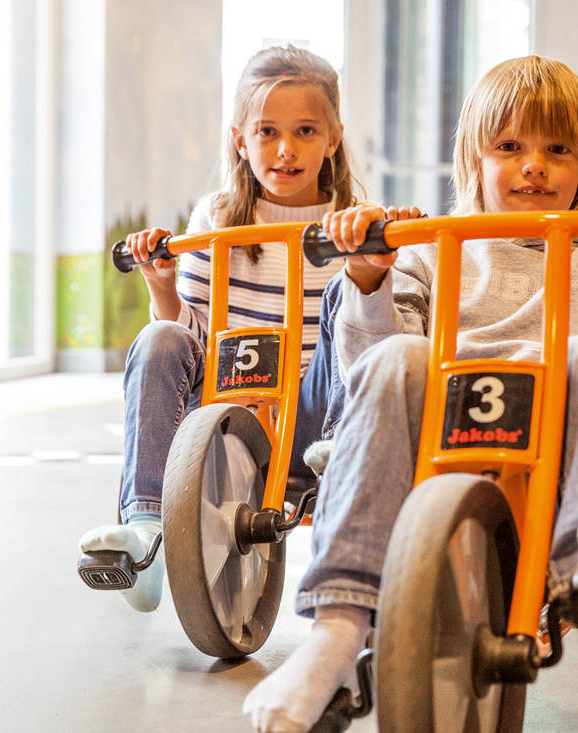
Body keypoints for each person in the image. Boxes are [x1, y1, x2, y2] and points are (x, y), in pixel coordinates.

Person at [242, 54, 578, 732]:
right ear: (473, 158)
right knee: (398, 355)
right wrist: (370, 278)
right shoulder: (429, 248)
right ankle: (340, 625)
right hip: (437, 454)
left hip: (571, 466)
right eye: (510, 147)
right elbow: (365, 368)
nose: (535, 165)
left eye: (558, 149)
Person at [78, 44, 419, 614]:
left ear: (333, 138)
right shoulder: (218, 218)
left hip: (310, 428)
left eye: (306, 131)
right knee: (158, 338)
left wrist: (376, 255)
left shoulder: (359, 222)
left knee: (347, 294)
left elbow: (373, 339)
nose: (285, 150)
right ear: (240, 139)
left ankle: (340, 450)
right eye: (267, 132)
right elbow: (189, 336)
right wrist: (161, 285)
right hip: (226, 411)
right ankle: (145, 528)